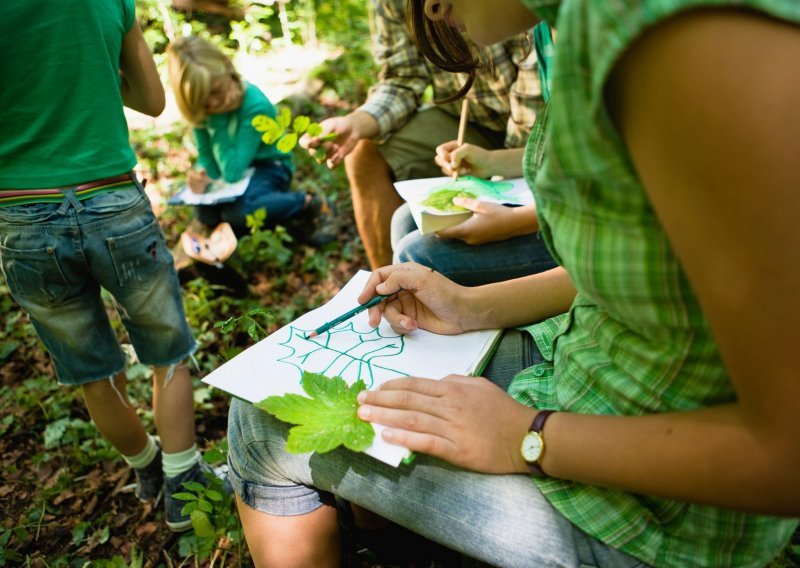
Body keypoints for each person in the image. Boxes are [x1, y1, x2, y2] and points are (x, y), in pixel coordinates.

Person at [227, 0, 800, 566]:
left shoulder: (686, 44)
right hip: (581, 383)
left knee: (260, 424)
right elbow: (656, 263)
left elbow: (785, 457)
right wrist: (469, 306)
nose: (427, 9)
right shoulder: (579, 29)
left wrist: (528, 436)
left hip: (649, 517)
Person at [0, 0, 223, 533]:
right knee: (167, 351)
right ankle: (182, 484)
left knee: (93, 370)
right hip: (112, 202)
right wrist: (94, 73)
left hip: (22, 215)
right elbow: (151, 100)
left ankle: (146, 466)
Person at [302, 0, 543, 269]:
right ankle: (385, 287)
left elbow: (533, 117)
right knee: (364, 154)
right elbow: (402, 79)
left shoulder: (526, 16)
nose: (430, 11)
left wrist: (499, 177)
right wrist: (357, 122)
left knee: (422, 248)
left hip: (541, 132)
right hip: (468, 122)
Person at [166, 35, 335, 244]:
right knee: (205, 215)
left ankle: (309, 203)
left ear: (227, 69)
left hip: (270, 166)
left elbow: (232, 171)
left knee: (238, 213)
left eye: (216, 91)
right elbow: (209, 161)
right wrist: (201, 176)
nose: (213, 103)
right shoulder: (204, 110)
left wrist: (217, 122)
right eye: (204, 101)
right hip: (238, 173)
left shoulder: (254, 106)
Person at [391, 143, 559, 285]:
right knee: (406, 220)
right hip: (546, 193)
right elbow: (559, 153)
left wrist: (517, 222)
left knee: (414, 252)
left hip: (573, 228)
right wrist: (490, 161)